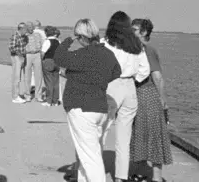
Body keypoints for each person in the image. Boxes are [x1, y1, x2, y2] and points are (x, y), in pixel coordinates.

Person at [55, 18, 121, 182]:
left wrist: (68, 40)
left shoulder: (81, 55)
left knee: (90, 157)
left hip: (81, 108)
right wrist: (97, 80)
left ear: (82, 37)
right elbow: (116, 72)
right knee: (89, 154)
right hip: (99, 107)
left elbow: (59, 57)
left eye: (78, 36)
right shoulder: (108, 54)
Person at [101, 11, 150, 182]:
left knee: (102, 131)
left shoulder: (105, 44)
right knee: (124, 138)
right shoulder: (136, 45)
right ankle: (121, 177)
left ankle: (95, 172)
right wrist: (134, 79)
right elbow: (145, 70)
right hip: (129, 87)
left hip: (110, 85)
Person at [129, 18, 172, 182]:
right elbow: (158, 77)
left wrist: (162, 99)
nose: (131, 32)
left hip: (145, 95)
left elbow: (157, 76)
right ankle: (149, 174)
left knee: (146, 134)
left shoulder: (146, 50)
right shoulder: (140, 50)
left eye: (134, 30)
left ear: (144, 32)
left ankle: (151, 175)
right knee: (148, 134)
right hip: (143, 95)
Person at [41, 26, 62, 106]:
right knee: (56, 82)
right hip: (57, 62)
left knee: (48, 82)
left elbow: (42, 53)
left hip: (48, 61)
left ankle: (48, 101)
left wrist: (42, 61)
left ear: (46, 33)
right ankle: (55, 101)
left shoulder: (47, 42)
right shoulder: (58, 41)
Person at [23, 22, 44, 102]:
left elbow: (42, 44)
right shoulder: (24, 36)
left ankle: (38, 95)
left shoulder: (38, 35)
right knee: (27, 76)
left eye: (31, 27)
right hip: (27, 55)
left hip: (37, 55)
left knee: (38, 76)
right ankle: (27, 95)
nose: (31, 28)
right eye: (29, 27)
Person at [9, 22, 29, 103]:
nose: (26, 31)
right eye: (25, 29)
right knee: (16, 78)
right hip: (16, 57)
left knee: (18, 77)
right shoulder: (15, 36)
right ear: (21, 29)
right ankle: (15, 97)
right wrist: (20, 54)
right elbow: (11, 48)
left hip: (21, 57)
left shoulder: (23, 37)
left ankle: (16, 95)